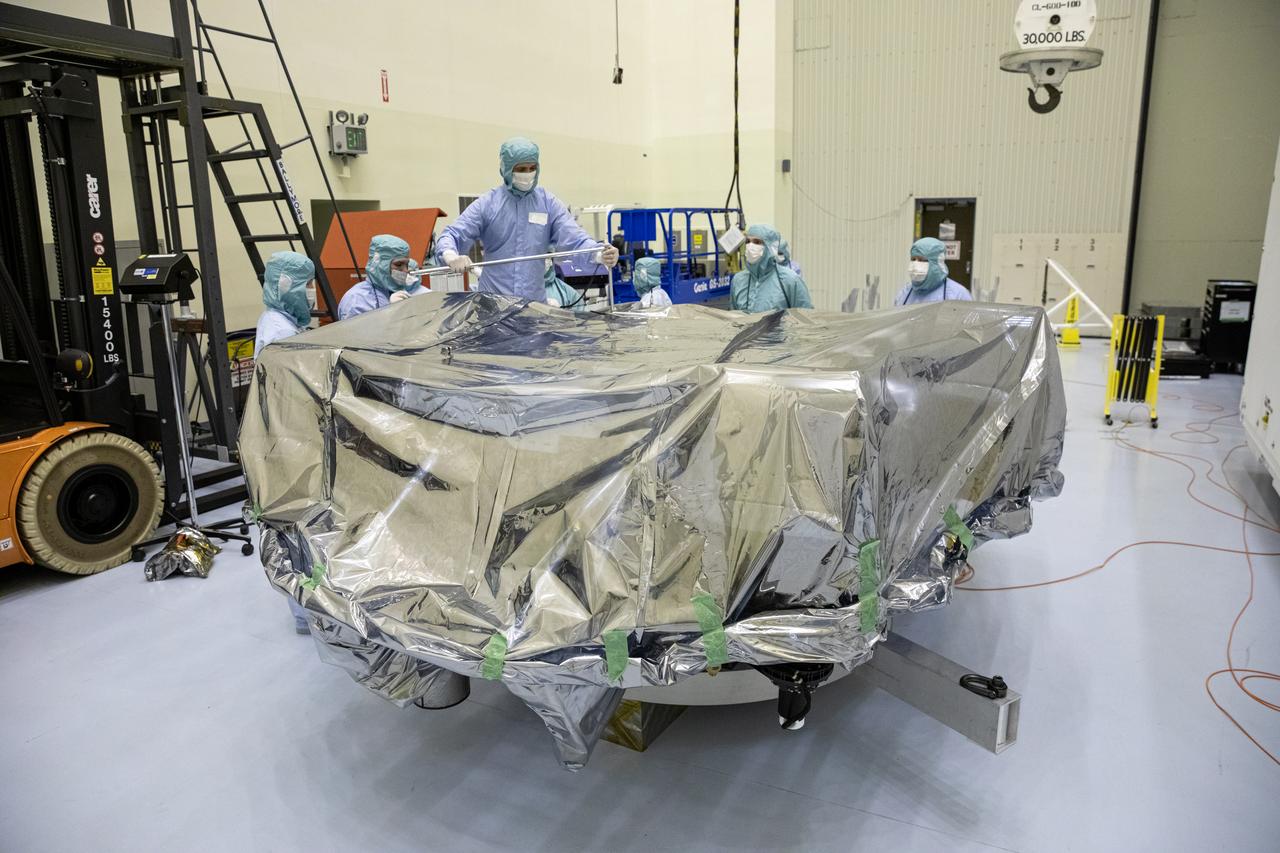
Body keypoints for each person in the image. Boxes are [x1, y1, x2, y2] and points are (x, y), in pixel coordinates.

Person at [435, 136, 619, 302]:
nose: (528, 174)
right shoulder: (488, 204)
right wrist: (451, 256)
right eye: (521, 169)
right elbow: (453, 234)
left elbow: (574, 238)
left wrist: (598, 254)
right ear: (507, 169)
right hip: (493, 304)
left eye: (532, 168)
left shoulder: (547, 203)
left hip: (533, 306)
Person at [252, 250, 317, 635]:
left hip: (288, 436)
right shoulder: (279, 331)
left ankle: (307, 609)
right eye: (307, 285)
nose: (311, 293)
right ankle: (305, 613)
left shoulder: (282, 323)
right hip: (288, 439)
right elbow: (292, 391)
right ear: (286, 285)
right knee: (297, 525)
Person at [730, 224, 813, 313]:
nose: (751, 246)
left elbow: (805, 316)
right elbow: (733, 317)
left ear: (770, 247)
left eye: (757, 242)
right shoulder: (738, 280)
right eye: (748, 241)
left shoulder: (790, 280)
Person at [337, 234, 420, 320]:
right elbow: (360, 328)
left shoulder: (397, 293)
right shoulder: (357, 299)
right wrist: (390, 312)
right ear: (379, 264)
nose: (405, 271)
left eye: (407, 265)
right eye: (398, 264)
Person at [894, 237, 972, 306]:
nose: (915, 265)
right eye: (913, 259)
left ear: (936, 264)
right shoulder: (905, 293)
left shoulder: (958, 295)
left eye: (921, 260)